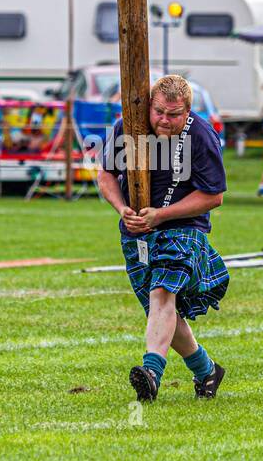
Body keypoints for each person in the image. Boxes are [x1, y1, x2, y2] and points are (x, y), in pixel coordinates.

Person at [97, 75, 229, 403]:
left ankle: (152, 373)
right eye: (159, 112)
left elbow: (214, 196)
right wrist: (122, 208)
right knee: (160, 309)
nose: (164, 121)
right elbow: (106, 175)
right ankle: (207, 370)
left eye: (174, 114)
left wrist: (161, 214)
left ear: (188, 112)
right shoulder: (128, 126)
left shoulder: (201, 135)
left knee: (162, 293)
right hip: (137, 232)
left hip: (185, 228)